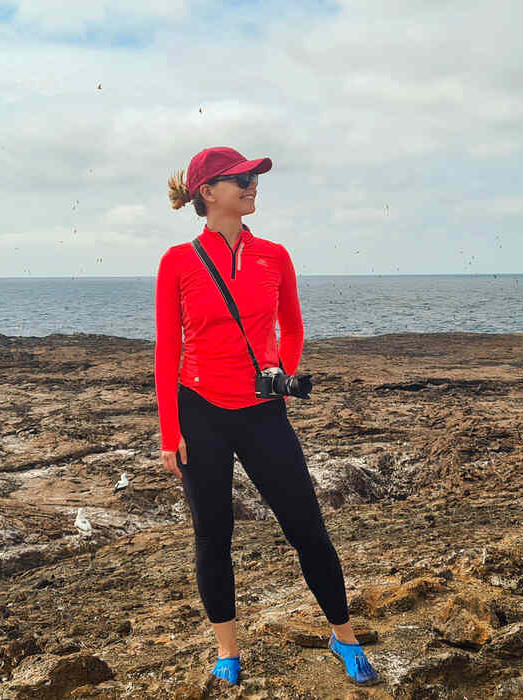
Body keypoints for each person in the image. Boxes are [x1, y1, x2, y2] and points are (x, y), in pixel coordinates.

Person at [154, 146, 379, 687]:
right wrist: (170, 432)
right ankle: (227, 651)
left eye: (254, 178)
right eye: (242, 179)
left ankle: (343, 637)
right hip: (199, 411)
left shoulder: (273, 255)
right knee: (213, 534)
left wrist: (279, 369)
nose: (253, 185)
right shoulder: (178, 261)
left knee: (306, 526)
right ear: (207, 193)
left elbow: (292, 327)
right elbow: (167, 352)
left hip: (262, 411)